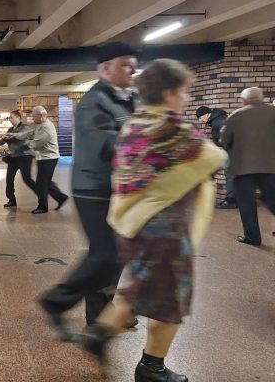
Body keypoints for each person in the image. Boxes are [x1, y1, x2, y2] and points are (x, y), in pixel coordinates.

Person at [75, 59, 226, 382]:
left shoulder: (133, 125)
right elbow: (215, 157)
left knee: (138, 288)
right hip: (166, 229)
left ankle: (100, 335)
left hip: (133, 224)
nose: (186, 99)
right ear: (170, 93)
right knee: (169, 300)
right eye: (184, 92)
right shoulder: (174, 132)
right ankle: (150, 366)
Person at [39, 42, 139, 336]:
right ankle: (55, 301)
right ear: (105, 68)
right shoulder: (94, 101)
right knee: (105, 254)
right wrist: (144, 146)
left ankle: (99, 316)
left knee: (114, 255)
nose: (132, 69)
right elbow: (107, 144)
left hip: (120, 188)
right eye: (125, 64)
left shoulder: (129, 99)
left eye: (133, 64)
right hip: (93, 188)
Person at [221, 86, 275, 246]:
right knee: (272, 199)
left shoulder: (237, 115)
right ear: (262, 97)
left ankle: (253, 237)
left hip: (242, 168)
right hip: (271, 166)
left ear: (244, 100)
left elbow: (224, 139)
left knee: (246, 204)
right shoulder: (273, 112)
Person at [13, 106, 68, 214]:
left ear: (41, 115)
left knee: (41, 183)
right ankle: (61, 197)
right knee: (45, 182)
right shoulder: (40, 125)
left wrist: (25, 143)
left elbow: (36, 143)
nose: (32, 118)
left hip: (48, 158)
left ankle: (43, 207)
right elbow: (29, 134)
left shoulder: (47, 127)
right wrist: (14, 135)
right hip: (43, 157)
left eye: (34, 116)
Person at [196, 105, 236, 209]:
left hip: (229, 152)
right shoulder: (218, 119)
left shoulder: (218, 122)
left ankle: (230, 200)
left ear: (206, 115)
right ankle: (232, 199)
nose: (200, 121)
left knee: (229, 175)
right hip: (229, 152)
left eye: (200, 118)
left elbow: (224, 140)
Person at [0, 110, 36, 208]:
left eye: (12, 117)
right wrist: (4, 138)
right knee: (9, 178)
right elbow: (1, 143)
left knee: (27, 178)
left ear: (18, 117)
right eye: (9, 118)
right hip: (13, 157)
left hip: (25, 156)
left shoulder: (25, 128)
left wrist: (13, 137)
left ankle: (41, 193)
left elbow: (24, 138)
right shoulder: (10, 129)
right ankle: (11, 199)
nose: (10, 119)